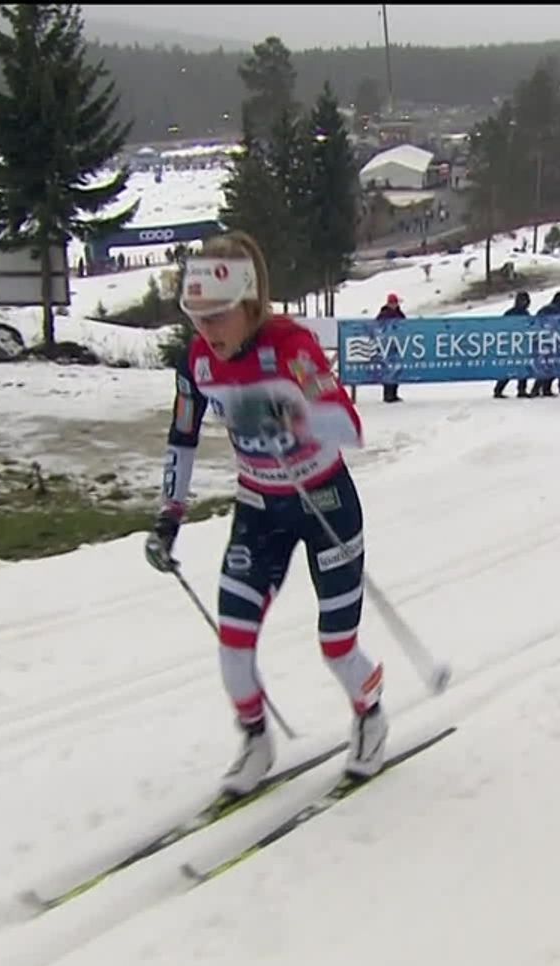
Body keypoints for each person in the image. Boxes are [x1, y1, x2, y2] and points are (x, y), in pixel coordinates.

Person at [143, 231, 389, 795]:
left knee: (337, 647)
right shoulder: (197, 361)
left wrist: (291, 416)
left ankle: (370, 715)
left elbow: (349, 428)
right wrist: (169, 517)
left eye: (218, 316)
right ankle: (256, 739)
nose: (207, 331)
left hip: (324, 503)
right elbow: (181, 436)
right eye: (196, 317)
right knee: (233, 645)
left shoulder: (291, 347)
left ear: (251, 304)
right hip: (258, 508)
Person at [529, 291, 560, 398]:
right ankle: (553, 389)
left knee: (549, 366)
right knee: (554, 366)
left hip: (552, 341)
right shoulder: (551, 309)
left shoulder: (548, 309)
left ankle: (543, 389)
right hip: (551, 341)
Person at [493, 291, 532, 399]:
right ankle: (498, 389)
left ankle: (521, 390)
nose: (524, 303)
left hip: (522, 344)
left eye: (525, 300)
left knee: (523, 367)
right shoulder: (510, 313)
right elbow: (503, 327)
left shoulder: (526, 313)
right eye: (522, 300)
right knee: (509, 368)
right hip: (511, 344)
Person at [375, 293, 405, 402]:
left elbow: (405, 326)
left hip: (397, 346)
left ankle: (394, 393)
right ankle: (387, 394)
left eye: (395, 303)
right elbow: (377, 327)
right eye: (392, 303)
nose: (394, 305)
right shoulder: (383, 314)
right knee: (387, 370)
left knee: (396, 370)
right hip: (386, 346)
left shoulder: (400, 314)